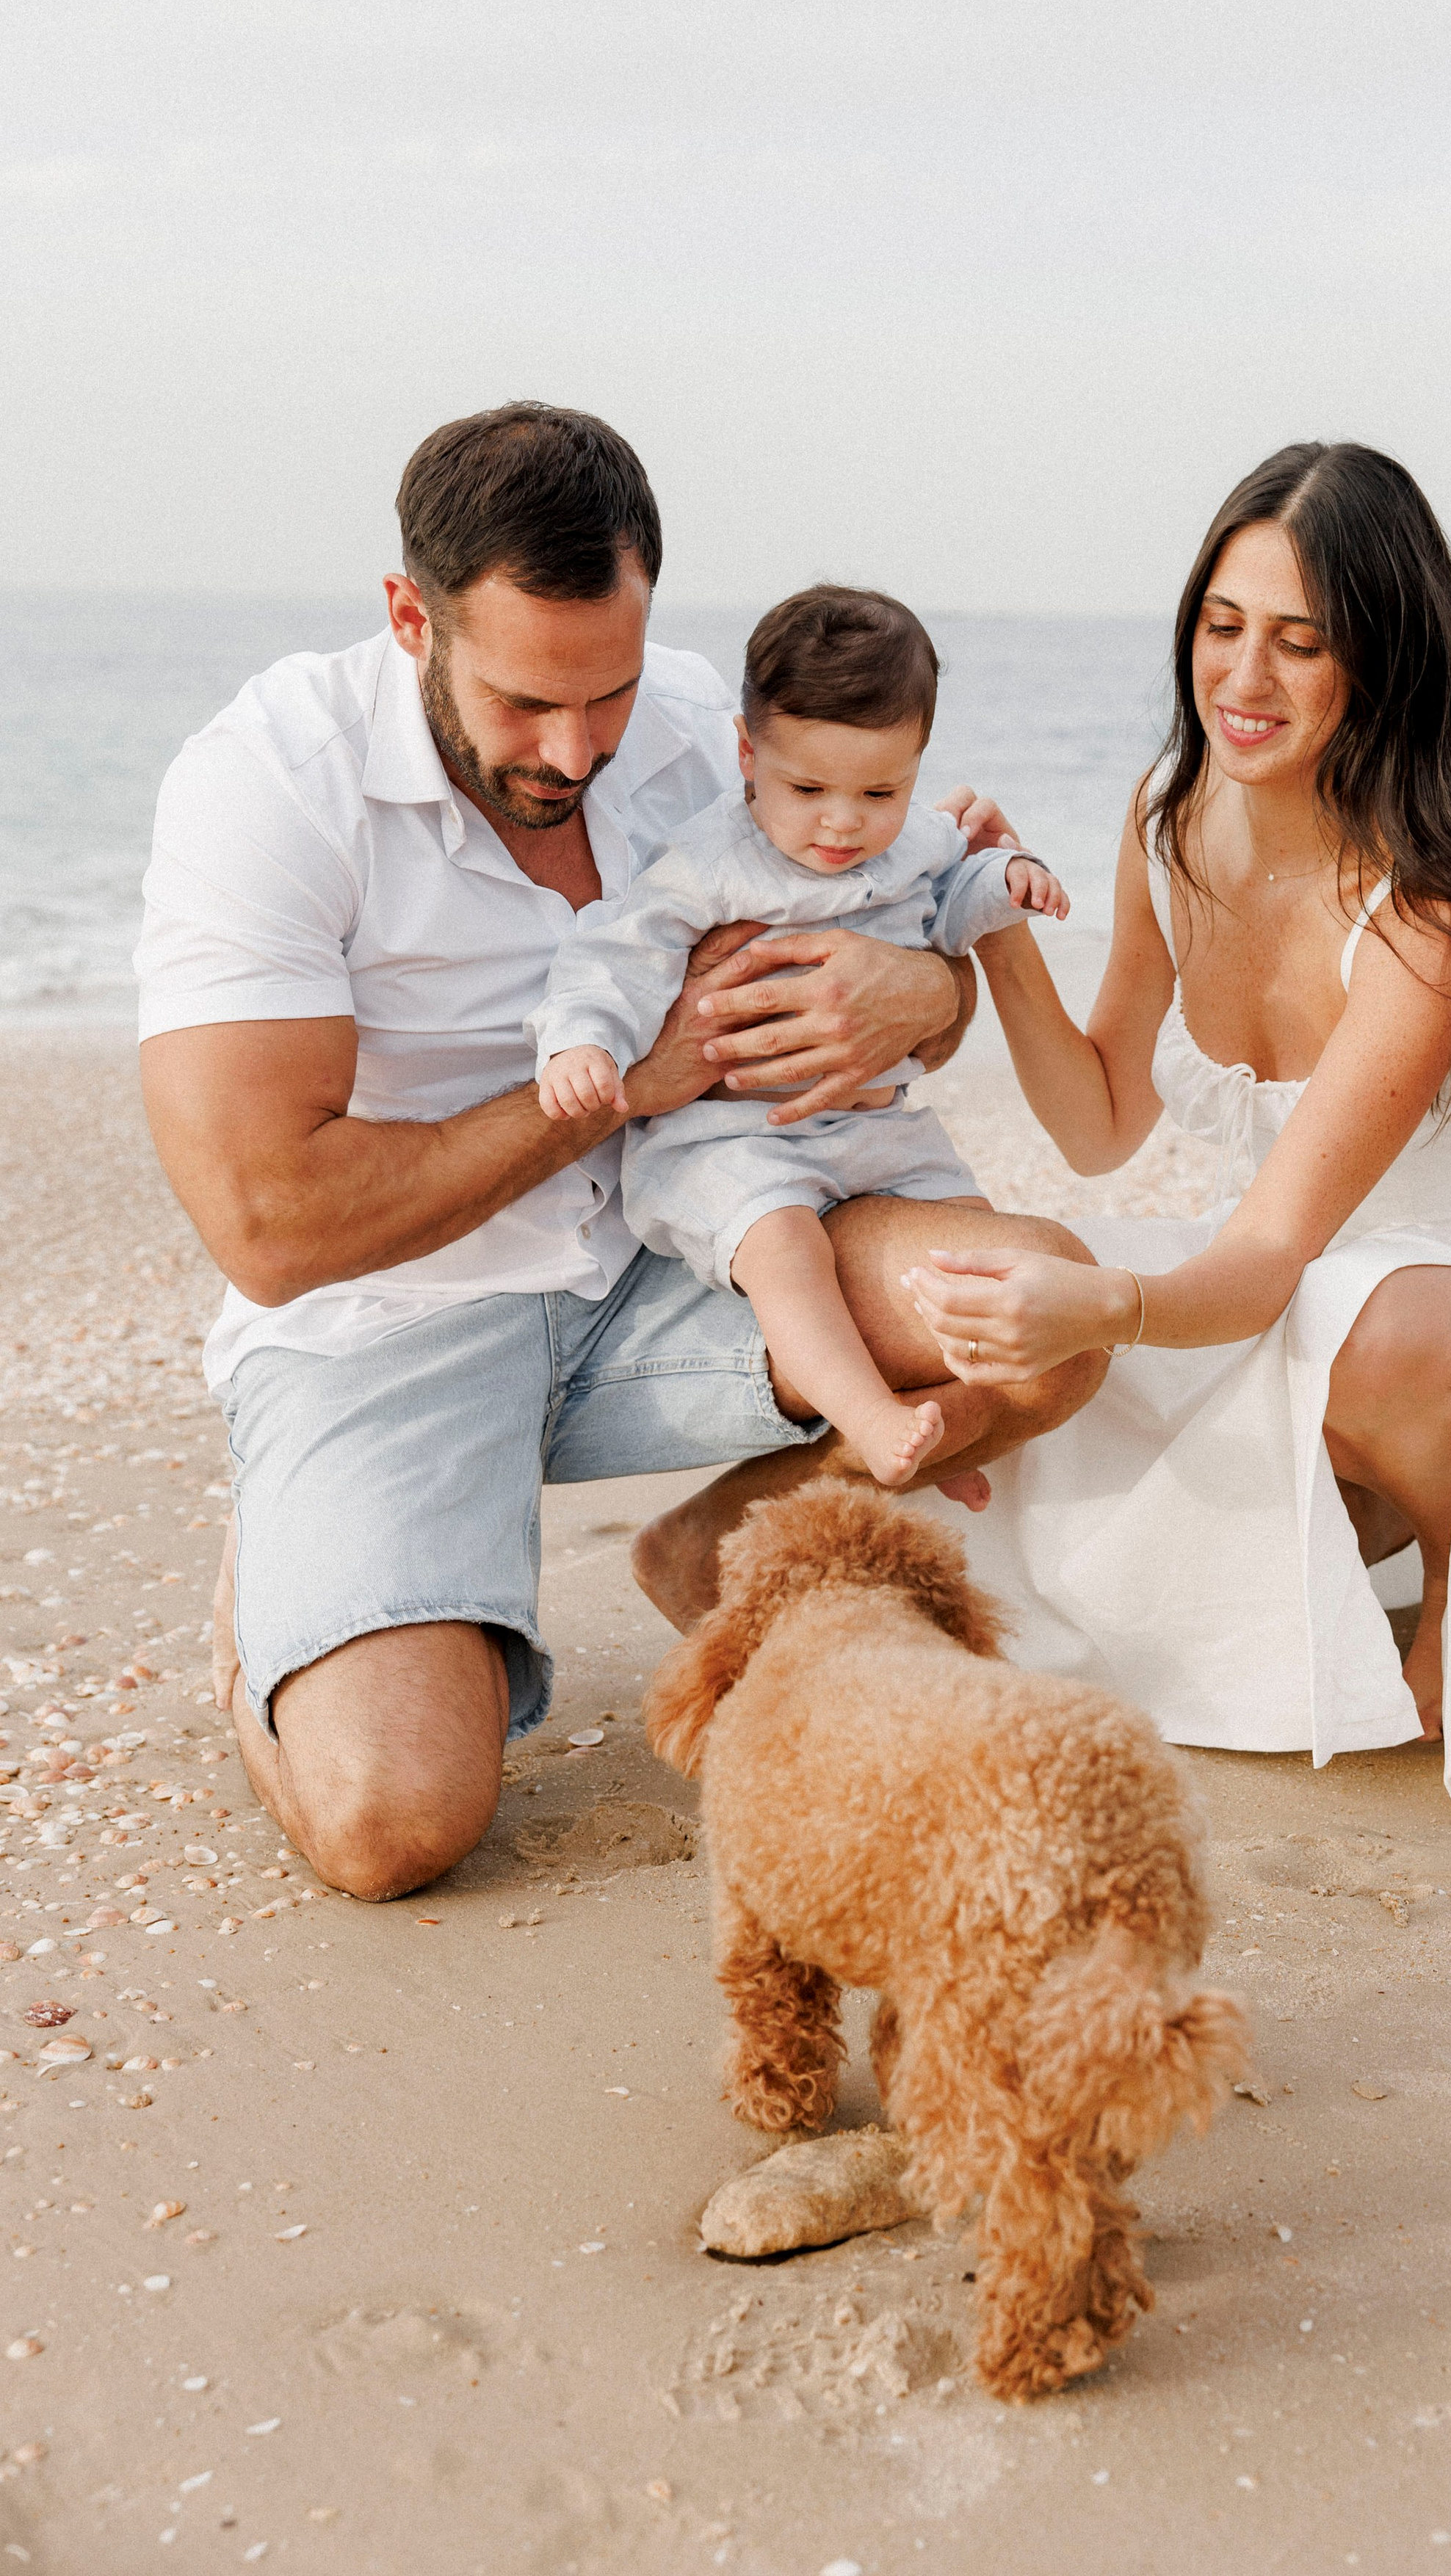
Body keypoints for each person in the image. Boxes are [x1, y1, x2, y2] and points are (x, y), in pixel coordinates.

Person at [135, 402, 1104, 1901]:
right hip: (394, 1319)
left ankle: (709, 1554)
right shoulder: (265, 784)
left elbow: (877, 933)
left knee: (1033, 1316)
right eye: (524, 701)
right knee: (392, 1827)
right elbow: (270, 1225)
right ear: (410, 616)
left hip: (678, 1251)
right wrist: (629, 1086)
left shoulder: (708, 727)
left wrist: (932, 991)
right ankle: (269, 1603)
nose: (575, 748)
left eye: (609, 690)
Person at [902, 442, 1451, 1811]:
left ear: (1382, 660)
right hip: (1287, 1275)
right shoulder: (1169, 816)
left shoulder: (1436, 900)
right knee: (1002, 1279)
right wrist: (993, 918)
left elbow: (1280, 1247)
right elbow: (1102, 1121)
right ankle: (1368, 1498)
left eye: (1300, 643)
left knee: (1363, 1321)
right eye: (1223, 628)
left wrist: (1101, 1310)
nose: (1243, 679)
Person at [533, 584, 1069, 1486]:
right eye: (807, 787)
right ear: (746, 753)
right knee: (786, 1253)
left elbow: (950, 893)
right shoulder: (710, 862)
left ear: (917, 764)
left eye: (879, 790)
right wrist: (581, 1041)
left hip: (875, 1130)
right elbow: (611, 956)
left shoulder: (912, 841)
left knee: (974, 1246)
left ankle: (956, 1428)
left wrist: (1009, 877)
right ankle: (867, 1415)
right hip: (731, 1143)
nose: (842, 821)